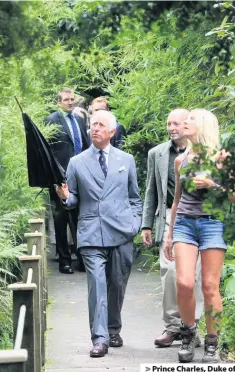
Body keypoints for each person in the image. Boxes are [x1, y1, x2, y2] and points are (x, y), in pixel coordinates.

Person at [56, 110, 142, 357]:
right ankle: (100, 338)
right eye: (93, 124)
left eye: (101, 125)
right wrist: (64, 196)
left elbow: (135, 198)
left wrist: (134, 223)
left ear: (112, 131)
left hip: (122, 231)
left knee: (117, 283)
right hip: (91, 232)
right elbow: (72, 200)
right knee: (97, 284)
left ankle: (113, 329)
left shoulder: (126, 160)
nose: (95, 128)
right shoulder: (77, 162)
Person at [164, 108, 228, 363]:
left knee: (211, 286)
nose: (185, 123)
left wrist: (212, 185)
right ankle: (189, 332)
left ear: (203, 126)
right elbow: (176, 201)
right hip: (185, 225)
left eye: (190, 119)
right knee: (184, 283)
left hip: (213, 224)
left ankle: (212, 342)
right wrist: (169, 235)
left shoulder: (222, 158)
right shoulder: (181, 160)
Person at [142, 109, 203, 348]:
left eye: (176, 123)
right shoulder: (157, 153)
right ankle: (172, 326)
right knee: (169, 271)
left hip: (198, 215)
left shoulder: (203, 151)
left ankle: (192, 326)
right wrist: (146, 224)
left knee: (194, 276)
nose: (171, 127)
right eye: (168, 123)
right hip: (169, 214)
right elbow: (150, 191)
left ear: (187, 124)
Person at [44, 87, 90, 274]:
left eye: (72, 99)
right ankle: (64, 260)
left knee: (80, 220)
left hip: (80, 178)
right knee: (61, 221)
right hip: (59, 178)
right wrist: (55, 178)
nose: (70, 102)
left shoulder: (79, 120)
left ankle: (81, 259)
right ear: (58, 102)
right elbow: (48, 152)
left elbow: (86, 148)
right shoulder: (51, 121)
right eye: (66, 99)